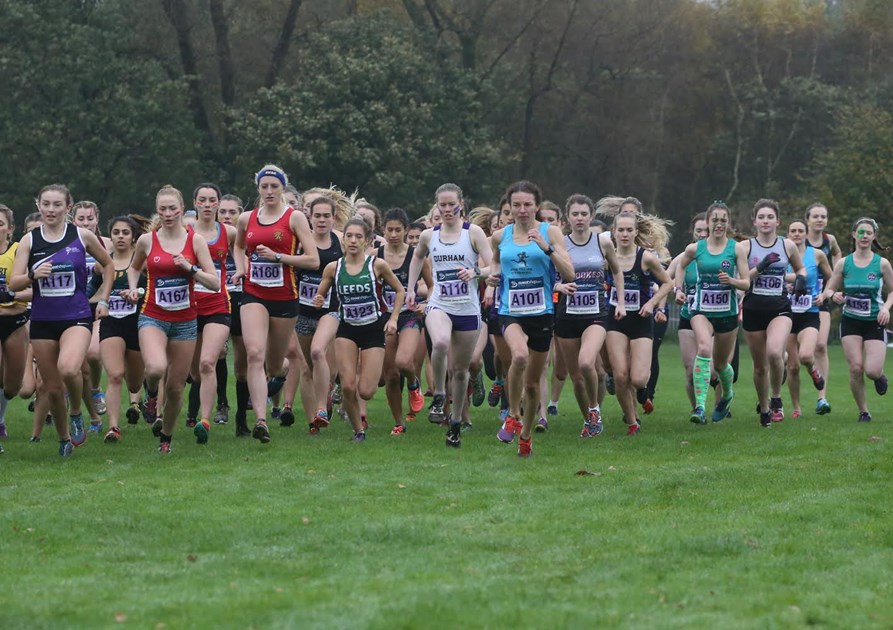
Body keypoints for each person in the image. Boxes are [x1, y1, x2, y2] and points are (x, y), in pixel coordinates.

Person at [10, 184, 114, 457]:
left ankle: (77, 412)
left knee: (69, 369)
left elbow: (109, 265)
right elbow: (15, 281)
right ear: (38, 206)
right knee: (52, 388)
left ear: (68, 208)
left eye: (57, 205)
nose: (51, 209)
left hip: (77, 316)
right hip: (43, 320)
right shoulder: (30, 241)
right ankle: (64, 438)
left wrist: (103, 298)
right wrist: (33, 274)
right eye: (46, 204)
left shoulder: (81, 236)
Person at [123, 185, 219, 452]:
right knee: (155, 367)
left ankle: (166, 438)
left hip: (186, 321)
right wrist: (133, 287)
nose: (168, 214)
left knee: (177, 388)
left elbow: (214, 282)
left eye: (172, 208)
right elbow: (133, 268)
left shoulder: (195, 241)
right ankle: (151, 394)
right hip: (152, 315)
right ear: (157, 211)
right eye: (162, 209)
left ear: (181, 209)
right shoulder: (147, 241)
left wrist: (190, 269)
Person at [231, 165, 319, 443]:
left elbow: (313, 260)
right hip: (254, 294)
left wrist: (278, 258)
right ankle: (261, 420)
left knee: (273, 365)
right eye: (264, 186)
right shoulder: (246, 218)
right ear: (258, 188)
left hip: (285, 298)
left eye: (274, 186)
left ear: (283, 188)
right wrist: (242, 266)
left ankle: (276, 375)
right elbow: (238, 246)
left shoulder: (294, 219)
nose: (269, 191)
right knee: (253, 353)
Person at [487, 180, 574, 457]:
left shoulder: (552, 232)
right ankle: (512, 414)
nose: (522, 210)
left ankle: (526, 434)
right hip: (510, 310)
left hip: (542, 313)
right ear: (509, 207)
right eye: (516, 205)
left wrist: (547, 248)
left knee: (533, 383)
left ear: (537, 205)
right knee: (519, 356)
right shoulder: (501, 236)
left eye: (527, 204)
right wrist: (492, 277)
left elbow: (569, 274)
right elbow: (495, 262)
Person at [407, 183, 492, 448]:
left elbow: (493, 266)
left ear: (460, 205)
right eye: (441, 205)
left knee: (460, 370)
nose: (446, 210)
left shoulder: (473, 233)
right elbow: (417, 259)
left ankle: (455, 424)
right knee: (441, 343)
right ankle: (439, 395)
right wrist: (410, 289)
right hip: (440, 304)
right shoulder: (428, 236)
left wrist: (475, 273)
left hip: (467, 309)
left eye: (450, 204)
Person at [313, 218, 405, 440]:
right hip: (347, 330)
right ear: (343, 239)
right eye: (349, 236)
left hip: (373, 329)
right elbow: (321, 293)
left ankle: (361, 416)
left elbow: (400, 291)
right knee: (347, 386)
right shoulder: (333, 268)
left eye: (358, 237)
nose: (353, 241)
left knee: (366, 390)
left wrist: (393, 319)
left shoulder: (377, 265)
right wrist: (318, 298)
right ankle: (358, 431)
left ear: (366, 241)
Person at [553, 194, 625, 438]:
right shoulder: (560, 244)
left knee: (587, 363)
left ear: (591, 216)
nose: (580, 218)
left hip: (596, 313)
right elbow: (548, 277)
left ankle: (594, 409)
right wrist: (558, 287)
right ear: (567, 218)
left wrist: (621, 302)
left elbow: (617, 271)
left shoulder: (602, 243)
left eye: (584, 214)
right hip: (567, 315)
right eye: (575, 214)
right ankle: (589, 421)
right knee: (576, 377)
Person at [672, 202, 751, 424]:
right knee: (704, 348)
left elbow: (746, 283)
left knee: (720, 365)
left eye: (723, 220)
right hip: (700, 310)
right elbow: (680, 266)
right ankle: (699, 407)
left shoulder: (736, 249)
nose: (718, 224)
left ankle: (727, 395)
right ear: (707, 222)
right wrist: (678, 289)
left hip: (726, 313)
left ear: (728, 223)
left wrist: (731, 280)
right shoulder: (695, 249)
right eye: (714, 220)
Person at [603, 207, 673, 435]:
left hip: (641, 320)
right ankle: (633, 422)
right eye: (620, 230)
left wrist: (652, 304)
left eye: (628, 230)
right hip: (616, 320)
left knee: (639, 378)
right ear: (613, 232)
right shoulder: (606, 258)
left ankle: (642, 392)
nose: (624, 234)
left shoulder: (646, 258)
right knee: (620, 375)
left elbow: (667, 284)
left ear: (635, 232)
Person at [819, 217, 892, 422]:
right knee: (855, 368)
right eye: (861, 232)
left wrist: (886, 308)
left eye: (868, 232)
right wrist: (833, 295)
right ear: (854, 235)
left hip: (874, 321)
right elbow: (829, 288)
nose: (864, 236)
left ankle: (879, 376)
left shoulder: (882, 264)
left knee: (871, 370)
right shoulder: (844, 263)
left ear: (874, 236)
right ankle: (864, 411)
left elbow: (892, 291)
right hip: (851, 321)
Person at [742, 199, 806, 427]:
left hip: (780, 308)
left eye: (770, 217)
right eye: (761, 217)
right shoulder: (745, 247)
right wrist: (760, 267)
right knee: (760, 367)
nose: (766, 221)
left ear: (778, 221)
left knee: (774, 352)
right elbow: (741, 281)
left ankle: (776, 397)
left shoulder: (787, 245)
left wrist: (801, 279)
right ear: (754, 221)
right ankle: (765, 408)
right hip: (752, 310)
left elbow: (800, 268)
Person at [186, 183, 237, 444]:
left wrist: (242, 270)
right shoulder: (183, 233)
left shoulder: (229, 232)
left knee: (209, 362)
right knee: (195, 372)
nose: (207, 205)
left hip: (218, 304)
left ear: (218, 203)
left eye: (212, 200)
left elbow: (242, 252)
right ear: (194, 202)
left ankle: (204, 420)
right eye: (202, 200)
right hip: (187, 307)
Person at [93, 215, 150, 442]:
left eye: (125, 233)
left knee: (134, 382)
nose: (120, 237)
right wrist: (97, 302)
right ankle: (114, 428)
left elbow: (153, 290)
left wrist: (138, 294)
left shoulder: (142, 264)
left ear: (134, 237)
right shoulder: (103, 265)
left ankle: (144, 397)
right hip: (111, 324)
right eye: (116, 232)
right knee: (115, 375)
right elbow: (92, 293)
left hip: (137, 324)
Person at [378, 208, 431, 434]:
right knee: (390, 375)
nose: (393, 234)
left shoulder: (416, 256)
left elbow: (432, 287)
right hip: (385, 318)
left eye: (398, 230)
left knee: (403, 362)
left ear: (406, 230)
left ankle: (413, 383)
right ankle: (398, 422)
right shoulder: (375, 256)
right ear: (383, 230)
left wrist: (425, 304)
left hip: (409, 316)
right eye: (389, 230)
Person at [296, 195, 345, 433]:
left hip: (331, 310)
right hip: (302, 311)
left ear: (334, 219)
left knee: (318, 353)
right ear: (310, 218)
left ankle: (321, 408)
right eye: (317, 216)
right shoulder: (299, 243)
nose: (322, 220)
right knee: (307, 367)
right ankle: (312, 422)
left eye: (327, 216)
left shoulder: (341, 242)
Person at [784, 219, 833, 418]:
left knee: (806, 355)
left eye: (800, 231)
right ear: (788, 234)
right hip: (786, 314)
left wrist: (824, 294)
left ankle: (814, 370)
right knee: (793, 366)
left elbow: (832, 278)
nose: (796, 234)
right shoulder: (782, 255)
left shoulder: (817, 254)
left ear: (806, 233)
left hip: (810, 313)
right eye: (793, 230)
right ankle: (796, 407)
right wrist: (784, 286)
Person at [668, 213, 709, 412]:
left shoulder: (723, 255)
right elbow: (664, 281)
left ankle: (721, 404)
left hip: (715, 317)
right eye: (698, 230)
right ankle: (698, 409)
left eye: (706, 231)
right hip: (689, 315)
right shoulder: (683, 257)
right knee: (691, 371)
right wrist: (677, 290)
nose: (702, 234)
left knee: (716, 370)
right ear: (692, 232)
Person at [217, 194, 250, 435]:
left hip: (241, 301)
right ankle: (221, 404)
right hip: (217, 301)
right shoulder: (207, 240)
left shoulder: (246, 243)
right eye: (223, 212)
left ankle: (241, 416)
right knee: (216, 353)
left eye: (232, 212)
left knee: (241, 365)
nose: (227, 217)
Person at [0, 205, 33, 444]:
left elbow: (36, 290)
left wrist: (11, 294)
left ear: (10, 229)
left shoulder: (19, 251)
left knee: (12, 386)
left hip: (15, 320)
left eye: (0, 224)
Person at [805, 203, 842, 415]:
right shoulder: (798, 238)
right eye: (816, 216)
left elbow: (838, 256)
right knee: (792, 357)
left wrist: (834, 283)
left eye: (823, 216)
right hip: (798, 300)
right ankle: (778, 397)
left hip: (821, 299)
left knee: (820, 346)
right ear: (807, 219)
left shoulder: (830, 240)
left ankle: (822, 398)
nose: (820, 220)